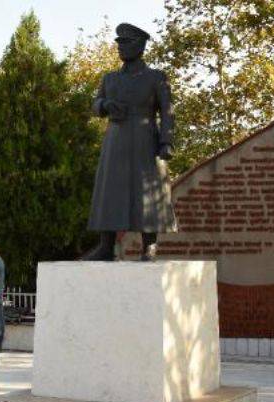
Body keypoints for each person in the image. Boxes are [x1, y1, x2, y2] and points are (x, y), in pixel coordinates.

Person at [83, 23, 176, 262]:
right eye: (119, 43)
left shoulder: (156, 77)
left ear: (140, 46)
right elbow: (96, 104)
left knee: (148, 189)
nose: (121, 48)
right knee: (110, 190)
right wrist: (104, 106)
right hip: (116, 139)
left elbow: (167, 111)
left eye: (126, 43)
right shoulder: (110, 78)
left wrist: (167, 142)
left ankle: (149, 246)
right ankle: (105, 246)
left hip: (146, 138)